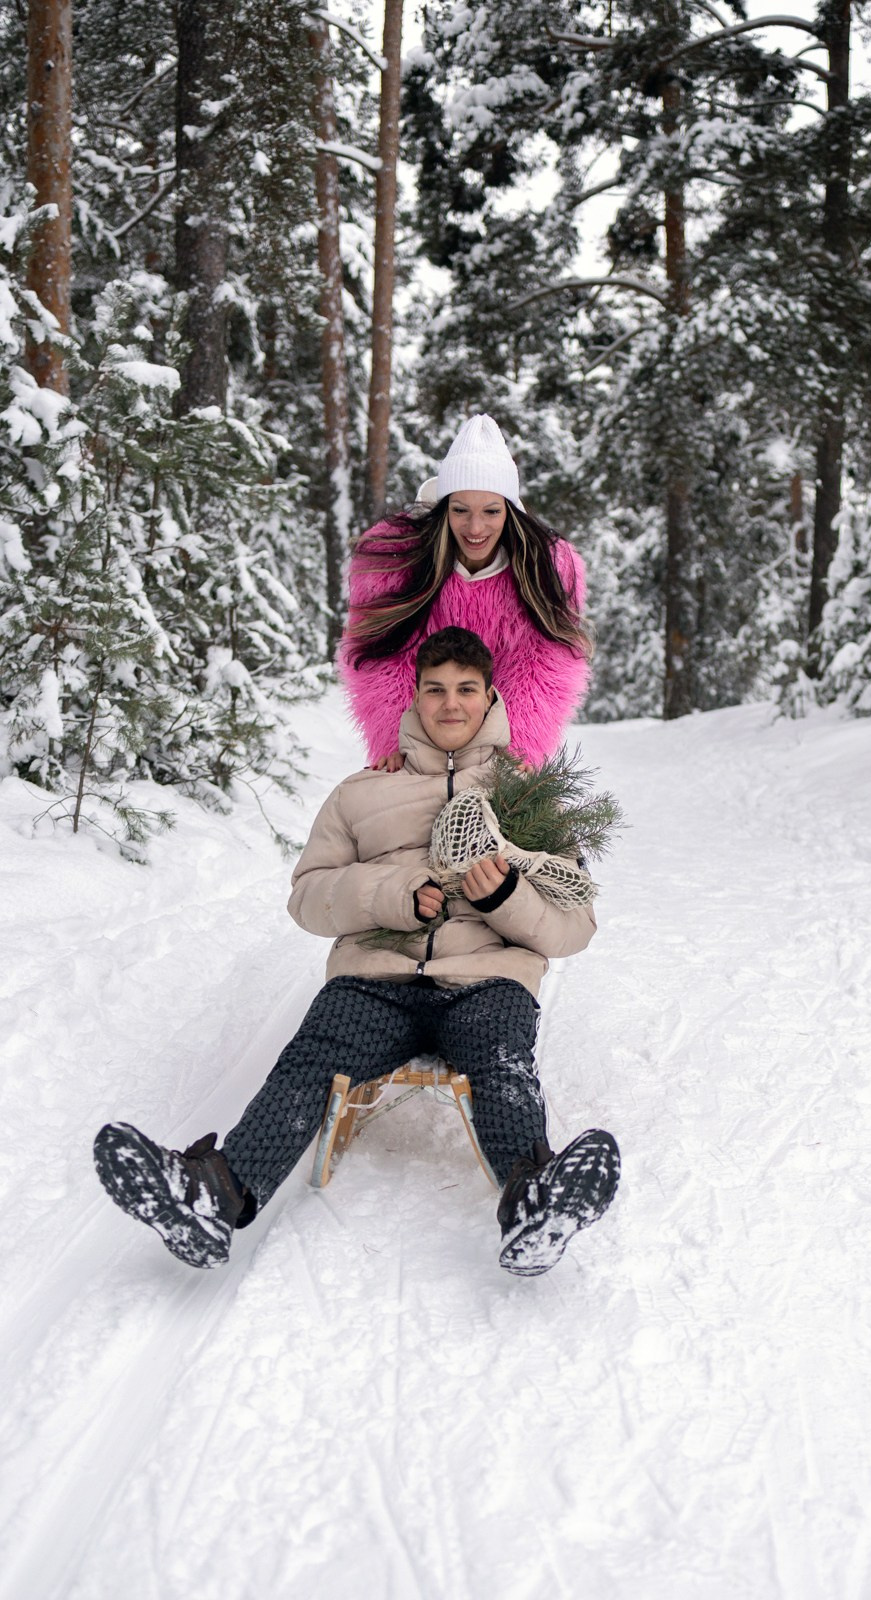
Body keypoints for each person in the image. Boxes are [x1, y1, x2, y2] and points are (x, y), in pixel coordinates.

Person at [93, 627, 620, 1279]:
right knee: (312, 1057)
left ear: (489, 699)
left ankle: (535, 1205)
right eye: (435, 690)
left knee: (502, 1062)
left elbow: (574, 929)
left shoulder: (530, 798)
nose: (450, 704)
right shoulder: (360, 793)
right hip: (374, 981)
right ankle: (212, 1197)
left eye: (465, 690)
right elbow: (308, 898)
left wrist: (505, 894)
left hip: (487, 980)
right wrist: (391, 894)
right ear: (414, 697)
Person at [339, 415, 591, 769]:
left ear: (510, 511)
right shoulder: (394, 561)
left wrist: (513, 750)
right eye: (460, 510)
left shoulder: (545, 568)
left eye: (490, 511)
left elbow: (546, 665)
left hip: (497, 733)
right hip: (418, 730)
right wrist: (399, 743)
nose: (475, 528)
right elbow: (377, 655)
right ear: (444, 509)